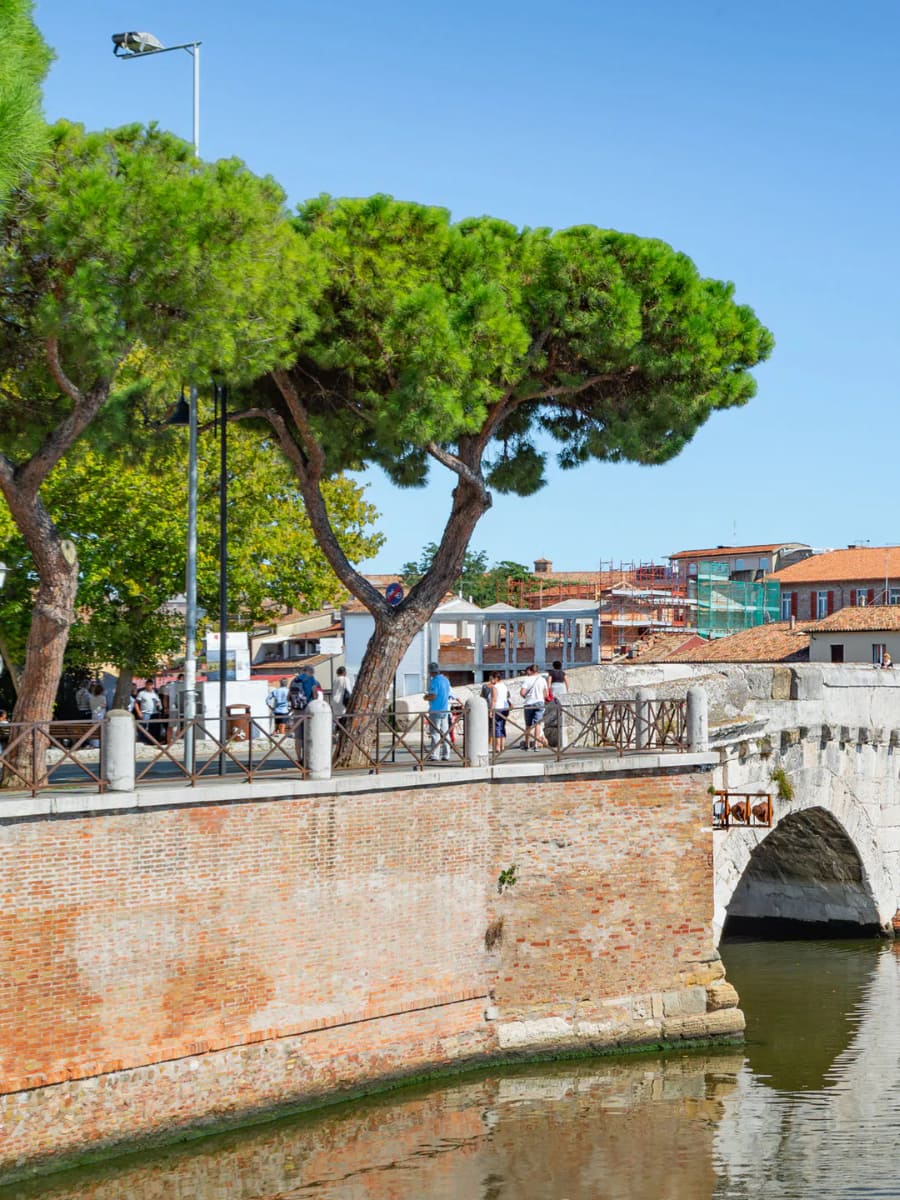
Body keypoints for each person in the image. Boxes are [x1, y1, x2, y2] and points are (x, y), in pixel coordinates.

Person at [424, 661, 453, 761]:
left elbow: (433, 695)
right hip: (445, 709)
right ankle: (446, 754)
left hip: (435, 710)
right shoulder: (445, 680)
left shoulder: (434, 681)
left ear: (431, 672)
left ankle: (435, 755)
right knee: (445, 733)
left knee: (435, 733)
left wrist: (426, 697)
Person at [520, 664, 549, 750]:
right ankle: (536, 744)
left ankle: (527, 744)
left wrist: (527, 697)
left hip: (529, 703)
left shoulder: (527, 680)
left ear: (531, 671)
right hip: (540, 703)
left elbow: (522, 692)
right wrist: (540, 697)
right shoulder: (542, 680)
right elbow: (546, 694)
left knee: (528, 725)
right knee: (537, 724)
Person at [135, 679, 161, 744]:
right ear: (146, 685)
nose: (150, 686)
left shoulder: (155, 694)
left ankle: (152, 742)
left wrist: (159, 705)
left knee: (154, 728)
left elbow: (159, 703)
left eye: (151, 685)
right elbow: (136, 703)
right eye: (148, 685)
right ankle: (142, 742)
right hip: (145, 713)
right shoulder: (142, 693)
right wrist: (139, 712)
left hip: (154, 713)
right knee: (144, 728)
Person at [490, 672, 511, 754]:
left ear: (496, 679)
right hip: (505, 707)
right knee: (502, 726)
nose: (491, 680)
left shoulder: (495, 687)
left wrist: (491, 710)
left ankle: (497, 747)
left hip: (498, 708)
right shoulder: (504, 686)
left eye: (492, 678)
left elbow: (494, 699)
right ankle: (502, 746)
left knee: (497, 727)